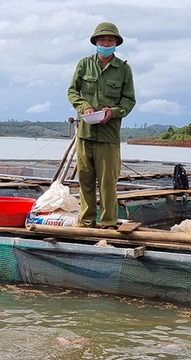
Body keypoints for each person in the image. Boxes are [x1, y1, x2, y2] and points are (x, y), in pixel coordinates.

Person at [67, 22, 136, 229]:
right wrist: (85, 107)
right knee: (85, 179)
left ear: (116, 43)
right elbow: (72, 92)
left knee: (107, 183)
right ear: (96, 42)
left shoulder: (123, 69)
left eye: (110, 40)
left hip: (109, 135)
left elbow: (129, 100)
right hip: (86, 133)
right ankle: (86, 221)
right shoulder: (84, 65)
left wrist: (112, 112)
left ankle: (108, 223)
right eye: (102, 39)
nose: (106, 43)